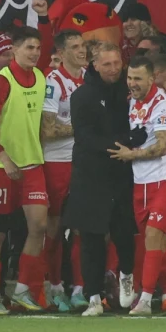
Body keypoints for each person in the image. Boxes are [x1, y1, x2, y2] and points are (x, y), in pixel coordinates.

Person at [0, 25, 50, 314]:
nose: (34, 53)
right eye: (29, 48)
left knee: (38, 227)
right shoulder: (1, 82)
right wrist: (6, 160)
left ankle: (21, 291)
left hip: (32, 165)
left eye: (37, 48)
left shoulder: (40, 78)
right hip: (0, 168)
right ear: (14, 50)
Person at [109, 55, 166, 316]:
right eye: (129, 78)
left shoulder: (163, 105)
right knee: (157, 244)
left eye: (137, 79)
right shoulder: (132, 101)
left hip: (165, 180)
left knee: (153, 238)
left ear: (151, 78)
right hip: (140, 184)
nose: (131, 83)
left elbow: (162, 146)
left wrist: (131, 155)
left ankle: (144, 299)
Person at [64, 42, 137, 316]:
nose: (113, 69)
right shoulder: (82, 96)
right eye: (107, 64)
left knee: (124, 233)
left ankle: (127, 275)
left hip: (122, 174)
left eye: (117, 63)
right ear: (94, 65)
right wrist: (121, 145)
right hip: (91, 175)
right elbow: (84, 136)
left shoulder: (129, 90)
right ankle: (93, 297)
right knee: (92, 239)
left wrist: (133, 145)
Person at [41, 28, 86, 312]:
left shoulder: (90, 79)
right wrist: (81, 130)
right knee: (54, 228)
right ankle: (55, 286)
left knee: (84, 226)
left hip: (83, 163)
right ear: (61, 52)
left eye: (83, 45)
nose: (82, 51)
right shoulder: (53, 82)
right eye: (75, 47)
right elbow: (46, 128)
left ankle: (81, 288)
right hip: (55, 162)